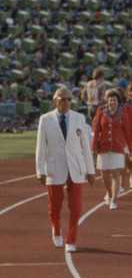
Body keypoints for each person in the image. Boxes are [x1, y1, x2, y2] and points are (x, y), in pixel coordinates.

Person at [35, 87, 95, 252]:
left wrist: (91, 170)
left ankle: (71, 239)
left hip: (76, 168)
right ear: (55, 101)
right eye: (62, 99)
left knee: (76, 207)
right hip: (55, 167)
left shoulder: (79, 118)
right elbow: (41, 147)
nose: (66, 102)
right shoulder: (45, 119)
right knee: (55, 206)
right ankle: (56, 229)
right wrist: (40, 170)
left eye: (69, 99)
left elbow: (85, 147)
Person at [92, 89, 132, 210]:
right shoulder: (101, 111)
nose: (112, 102)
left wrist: (130, 147)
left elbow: (127, 130)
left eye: (114, 100)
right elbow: (96, 129)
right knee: (104, 174)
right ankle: (109, 194)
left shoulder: (123, 113)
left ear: (117, 101)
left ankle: (114, 199)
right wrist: (94, 146)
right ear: (107, 101)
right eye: (110, 100)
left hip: (117, 146)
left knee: (115, 174)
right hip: (103, 147)